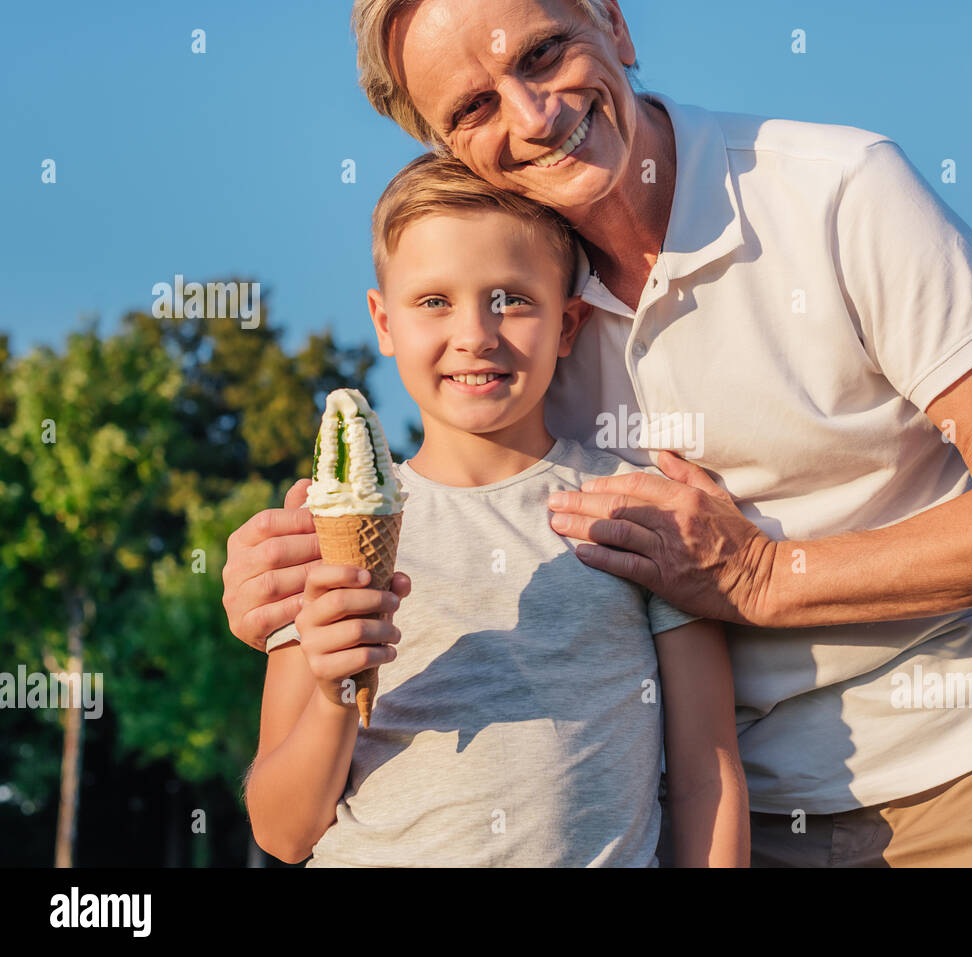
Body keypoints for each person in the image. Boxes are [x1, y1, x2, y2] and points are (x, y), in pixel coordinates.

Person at [225, 0, 972, 866]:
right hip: (735, 818)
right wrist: (263, 592)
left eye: (542, 53)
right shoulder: (522, 323)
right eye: (473, 105)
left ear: (612, 19)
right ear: (445, 148)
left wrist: (761, 576)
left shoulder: (839, 191)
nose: (533, 117)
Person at [243, 151, 748, 867]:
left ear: (569, 324)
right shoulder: (323, 529)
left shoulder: (640, 513)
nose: (476, 333)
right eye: (434, 301)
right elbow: (282, 830)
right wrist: (331, 694)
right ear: (383, 322)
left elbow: (706, 776)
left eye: (511, 297)